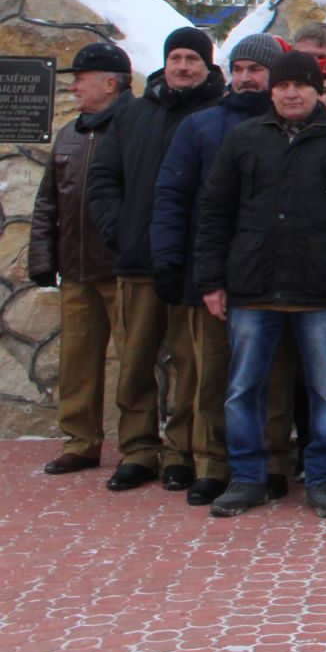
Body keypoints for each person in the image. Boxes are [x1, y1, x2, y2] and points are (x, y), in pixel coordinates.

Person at [196, 51, 326, 519]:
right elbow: (215, 213)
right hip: (252, 286)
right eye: (283, 86)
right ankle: (247, 478)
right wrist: (210, 280)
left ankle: (323, 477)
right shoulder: (245, 139)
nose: (290, 93)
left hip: (323, 290)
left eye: (301, 86)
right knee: (243, 390)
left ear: (315, 91)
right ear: (271, 90)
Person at [149, 33, 297, 506]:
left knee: (272, 379)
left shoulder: (292, 126)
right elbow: (172, 197)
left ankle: (272, 461)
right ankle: (211, 463)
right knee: (210, 376)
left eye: (257, 69)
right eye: (240, 68)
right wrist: (169, 259)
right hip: (209, 273)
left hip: (274, 276)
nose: (247, 77)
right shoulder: (200, 126)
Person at [85, 25, 227, 492]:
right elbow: (104, 179)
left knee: (192, 366)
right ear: (164, 64)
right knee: (134, 361)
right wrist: (119, 230)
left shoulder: (218, 114)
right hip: (139, 261)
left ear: (207, 66)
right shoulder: (134, 115)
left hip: (193, 267)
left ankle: (182, 451)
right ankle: (138, 450)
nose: (183, 67)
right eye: (176, 58)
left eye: (193, 59)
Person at [28, 42, 134, 476]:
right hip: (75, 269)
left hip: (121, 269)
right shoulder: (69, 134)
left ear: (109, 84)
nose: (73, 85)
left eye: (81, 78)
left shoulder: (135, 129)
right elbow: (47, 202)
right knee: (77, 362)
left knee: (133, 361)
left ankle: (137, 446)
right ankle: (80, 441)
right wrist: (42, 257)